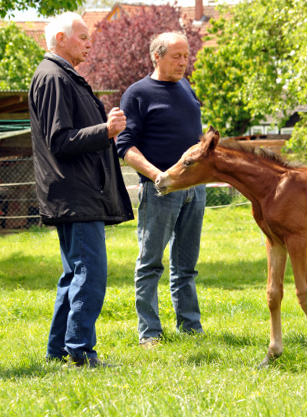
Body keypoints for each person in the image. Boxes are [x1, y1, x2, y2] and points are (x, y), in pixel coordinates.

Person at [29, 12, 134, 368]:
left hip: (75, 193)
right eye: (84, 37)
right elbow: (59, 140)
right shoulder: (54, 78)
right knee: (90, 272)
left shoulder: (61, 76)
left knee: (75, 273)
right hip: (74, 194)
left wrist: (105, 129)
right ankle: (80, 350)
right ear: (60, 38)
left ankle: (58, 349)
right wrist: (105, 130)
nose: (90, 44)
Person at [116, 32, 206, 347]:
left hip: (195, 189)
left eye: (186, 56)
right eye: (176, 57)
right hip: (160, 191)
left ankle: (190, 328)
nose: (184, 62)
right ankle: (150, 333)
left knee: (186, 265)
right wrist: (158, 176)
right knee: (151, 262)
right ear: (157, 56)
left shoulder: (185, 86)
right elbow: (124, 147)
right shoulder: (138, 94)